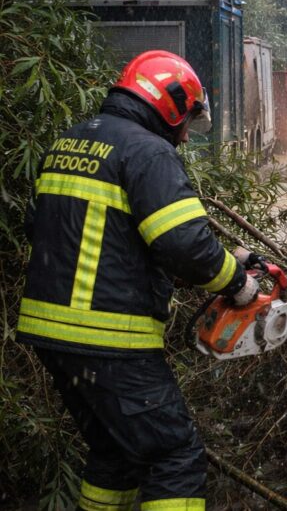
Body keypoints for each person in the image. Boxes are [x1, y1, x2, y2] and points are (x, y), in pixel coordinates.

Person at [16, 50, 261, 510]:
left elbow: (60, 230)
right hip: (110, 340)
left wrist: (230, 256)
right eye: (187, 121)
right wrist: (238, 284)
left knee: (115, 452)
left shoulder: (70, 142)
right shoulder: (149, 152)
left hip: (50, 336)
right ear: (169, 106)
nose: (187, 135)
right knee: (175, 455)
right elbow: (184, 246)